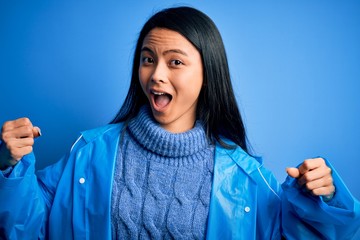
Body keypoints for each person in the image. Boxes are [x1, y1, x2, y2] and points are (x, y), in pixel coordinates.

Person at [0, 6, 359, 240]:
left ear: (207, 74)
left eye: (175, 62)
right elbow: (26, 228)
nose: (155, 75)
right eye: (147, 58)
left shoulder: (246, 178)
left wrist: (323, 199)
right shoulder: (89, 154)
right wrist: (11, 167)